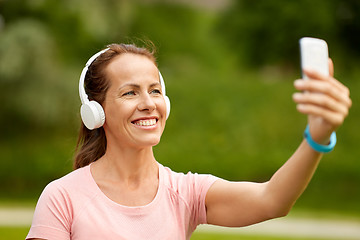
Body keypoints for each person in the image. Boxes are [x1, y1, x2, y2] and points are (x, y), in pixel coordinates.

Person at [26, 42, 352, 240]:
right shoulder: (63, 198)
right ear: (96, 112)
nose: (148, 103)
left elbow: (272, 200)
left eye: (155, 90)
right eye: (130, 92)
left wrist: (317, 137)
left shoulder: (185, 193)